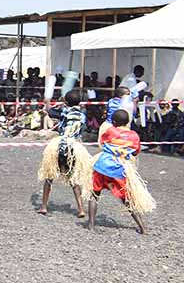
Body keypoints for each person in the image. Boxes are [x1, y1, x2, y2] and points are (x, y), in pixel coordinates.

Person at [88, 109, 153, 234]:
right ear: (128, 122)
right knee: (127, 198)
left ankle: (91, 224)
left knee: (94, 194)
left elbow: (103, 143)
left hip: (102, 166)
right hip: (119, 169)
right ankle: (143, 227)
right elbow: (135, 152)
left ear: (113, 122)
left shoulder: (110, 131)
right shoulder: (134, 135)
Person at [35, 88, 91, 219]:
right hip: (74, 147)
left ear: (65, 101)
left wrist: (47, 102)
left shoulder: (65, 112)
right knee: (74, 179)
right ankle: (81, 209)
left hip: (60, 146)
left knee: (49, 176)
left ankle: (43, 206)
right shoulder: (82, 114)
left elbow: (50, 111)